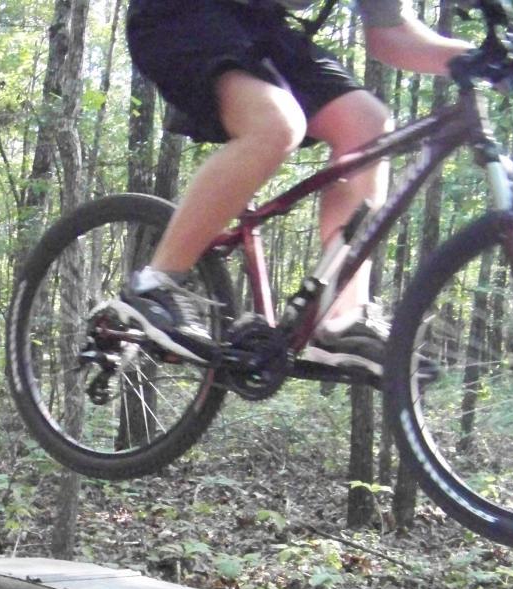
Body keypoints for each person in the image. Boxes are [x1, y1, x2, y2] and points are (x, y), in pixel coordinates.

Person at [111, 0, 471, 375]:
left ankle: (341, 320)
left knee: (367, 124)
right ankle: (155, 283)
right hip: (178, 15)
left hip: (257, 27)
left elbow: (391, 34)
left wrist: (476, 58)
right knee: (277, 125)